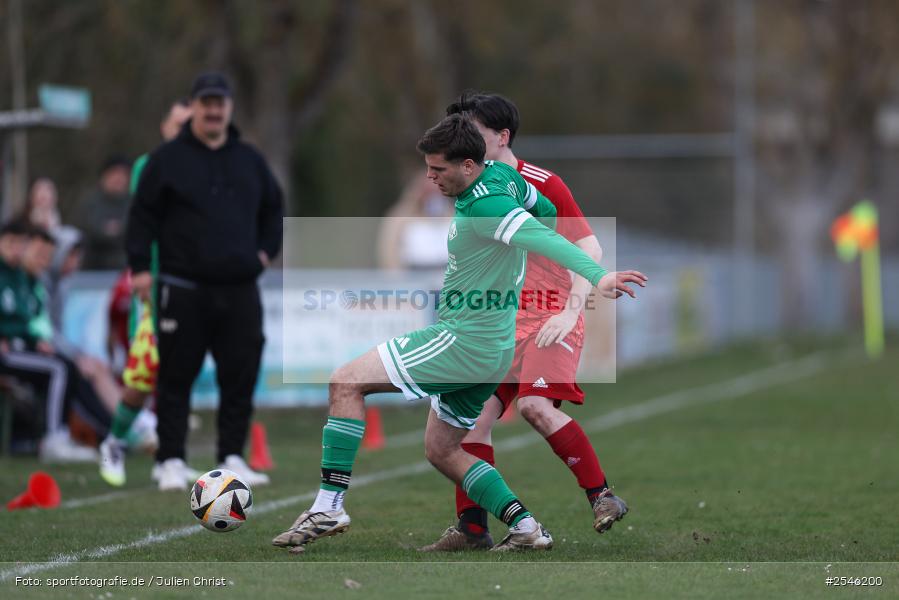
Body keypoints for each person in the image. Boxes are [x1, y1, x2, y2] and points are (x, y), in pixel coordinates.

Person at [271, 114, 646, 554]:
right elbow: (543, 209)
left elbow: (548, 239)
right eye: (428, 168)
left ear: (468, 165)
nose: (430, 179)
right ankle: (525, 527)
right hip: (493, 345)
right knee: (443, 449)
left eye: (438, 169)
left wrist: (598, 277)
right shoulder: (502, 176)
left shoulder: (488, 207)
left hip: (465, 340)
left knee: (345, 382)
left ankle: (328, 506)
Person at [419, 93, 628, 551]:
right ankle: (472, 529)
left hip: (550, 316)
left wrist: (571, 309)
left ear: (502, 136)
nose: (465, 139)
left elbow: (588, 247)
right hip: (497, 325)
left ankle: (602, 496)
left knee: (535, 407)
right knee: (470, 425)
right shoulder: (470, 188)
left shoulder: (541, 183)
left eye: (474, 131)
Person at [125, 72, 283, 491]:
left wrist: (264, 253)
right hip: (183, 287)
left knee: (241, 374)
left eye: (220, 103)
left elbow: (274, 209)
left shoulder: (250, 159)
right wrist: (140, 267)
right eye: (206, 103)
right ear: (194, 106)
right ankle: (170, 459)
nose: (213, 111)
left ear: (229, 108)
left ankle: (231, 455)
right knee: (175, 376)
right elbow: (141, 217)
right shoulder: (166, 159)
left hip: (240, 288)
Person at [99, 98, 193, 487]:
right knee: (143, 374)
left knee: (179, 372)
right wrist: (142, 272)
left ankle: (167, 457)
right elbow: (145, 220)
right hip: (152, 286)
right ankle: (114, 441)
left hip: (189, 285)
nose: (184, 131)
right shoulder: (148, 166)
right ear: (164, 127)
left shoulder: (203, 168)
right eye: (178, 124)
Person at [78, 156, 132, 270]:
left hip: (124, 269)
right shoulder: (90, 203)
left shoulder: (133, 203)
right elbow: (86, 231)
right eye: (114, 173)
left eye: (123, 174)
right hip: (92, 269)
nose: (118, 178)